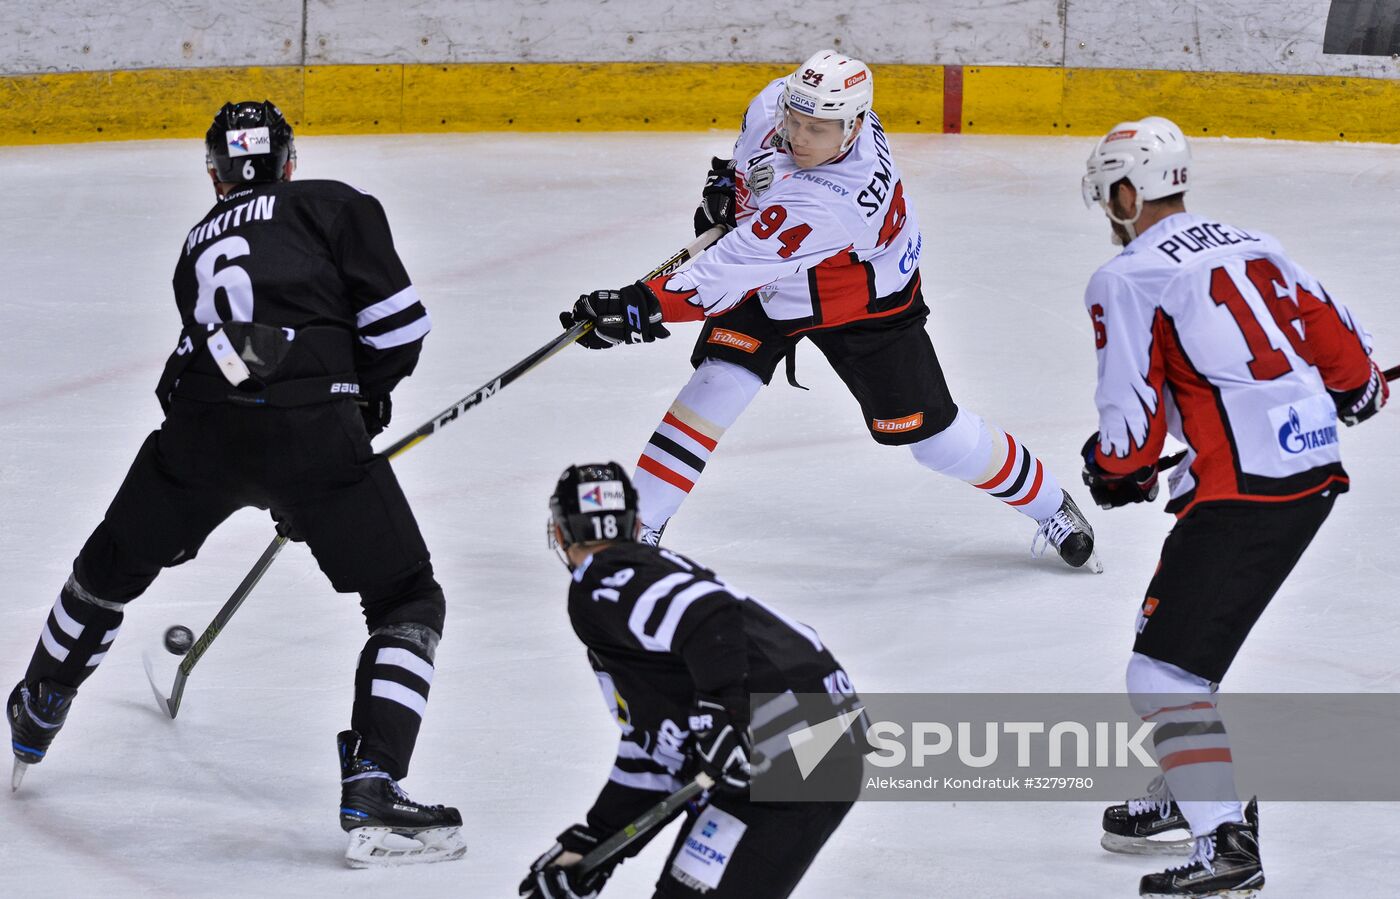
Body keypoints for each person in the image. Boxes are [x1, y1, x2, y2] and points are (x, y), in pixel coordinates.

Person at [6, 101, 464, 867]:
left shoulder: (195, 244)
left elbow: (204, 367)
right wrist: (357, 409)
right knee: (407, 597)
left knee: (107, 572)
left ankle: (39, 703)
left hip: (199, 424)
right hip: (316, 428)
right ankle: (375, 780)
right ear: (288, 160)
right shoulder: (334, 202)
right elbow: (397, 327)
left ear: (216, 172)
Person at [560, 49, 1100, 572]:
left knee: (934, 440)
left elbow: (719, 275)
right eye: (795, 119)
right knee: (719, 381)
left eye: (816, 130)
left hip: (861, 301)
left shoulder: (834, 199)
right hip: (775, 284)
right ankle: (639, 534)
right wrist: (726, 185)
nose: (798, 136)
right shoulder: (780, 103)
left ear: (854, 126)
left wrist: (639, 307)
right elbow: (742, 167)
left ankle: (1051, 505)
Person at [1078, 116, 1387, 897]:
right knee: (1181, 647)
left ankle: (1225, 842)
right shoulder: (1253, 240)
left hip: (1250, 490)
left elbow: (1130, 402)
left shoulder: (1126, 275)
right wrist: (1355, 387)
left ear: (1124, 192)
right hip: (1305, 467)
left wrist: (1117, 469)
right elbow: (1331, 328)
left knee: (1161, 671)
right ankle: (1193, 790)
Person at [522, 462, 863, 899]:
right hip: (818, 740)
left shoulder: (599, 583)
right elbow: (660, 744)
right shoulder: (647, 578)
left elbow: (707, 611)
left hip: (792, 750)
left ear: (562, 534)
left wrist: (723, 711)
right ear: (637, 523)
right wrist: (598, 840)